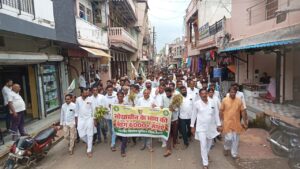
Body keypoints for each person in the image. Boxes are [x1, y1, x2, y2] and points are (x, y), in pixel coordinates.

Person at [191, 89, 221, 169]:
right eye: (202, 94)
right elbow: (193, 115)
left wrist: (218, 125)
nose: (204, 95)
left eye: (205, 93)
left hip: (211, 127)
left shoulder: (212, 102)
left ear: (207, 94)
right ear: (200, 95)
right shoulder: (197, 104)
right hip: (201, 128)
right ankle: (205, 163)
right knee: (203, 144)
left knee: (209, 144)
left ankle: (205, 155)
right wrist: (192, 126)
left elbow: (216, 114)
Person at [220, 87, 248, 159]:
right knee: (228, 138)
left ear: (236, 93)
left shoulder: (239, 101)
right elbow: (221, 111)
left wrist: (245, 122)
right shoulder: (224, 100)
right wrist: (220, 121)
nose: (233, 94)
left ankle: (234, 154)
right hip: (227, 123)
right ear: (229, 92)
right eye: (231, 92)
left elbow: (243, 111)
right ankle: (226, 147)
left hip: (236, 123)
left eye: (234, 92)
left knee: (236, 139)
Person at [75, 88, 95, 158]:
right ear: (81, 93)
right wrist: (77, 121)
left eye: (87, 92)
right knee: (81, 135)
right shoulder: (78, 99)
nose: (87, 93)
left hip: (89, 119)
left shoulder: (90, 99)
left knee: (90, 135)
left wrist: (94, 119)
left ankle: (89, 150)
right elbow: (76, 111)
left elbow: (93, 110)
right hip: (81, 119)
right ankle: (88, 142)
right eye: (85, 92)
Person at [162, 87, 179, 157]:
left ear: (171, 92)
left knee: (174, 133)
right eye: (166, 92)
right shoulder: (163, 98)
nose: (167, 93)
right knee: (168, 134)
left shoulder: (175, 98)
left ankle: (174, 143)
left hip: (174, 118)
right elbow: (161, 106)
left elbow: (178, 108)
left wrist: (173, 108)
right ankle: (168, 149)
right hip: (167, 119)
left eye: (168, 92)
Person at [103, 85, 117, 151]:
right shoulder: (104, 98)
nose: (110, 91)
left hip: (114, 116)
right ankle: (113, 138)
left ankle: (113, 143)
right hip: (107, 116)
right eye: (108, 90)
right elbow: (102, 106)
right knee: (110, 129)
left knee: (114, 129)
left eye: (111, 90)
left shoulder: (116, 96)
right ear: (106, 90)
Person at [115, 91, 128, 157]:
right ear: (117, 96)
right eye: (119, 96)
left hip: (125, 122)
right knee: (119, 135)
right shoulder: (115, 104)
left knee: (124, 136)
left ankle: (122, 151)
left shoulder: (126, 104)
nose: (120, 97)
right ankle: (124, 143)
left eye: (121, 96)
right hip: (117, 122)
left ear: (123, 97)